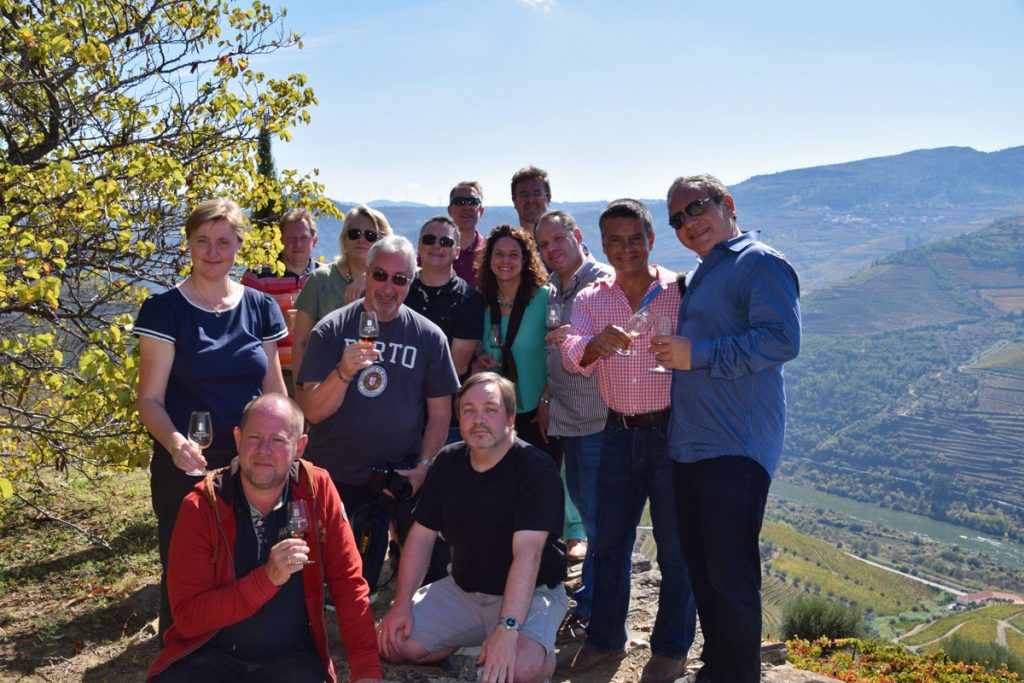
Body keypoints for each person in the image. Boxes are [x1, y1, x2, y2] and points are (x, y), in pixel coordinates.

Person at [653, 174, 801, 683]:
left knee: (730, 576)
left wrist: (698, 354)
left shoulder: (758, 262)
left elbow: (783, 339)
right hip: (692, 446)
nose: (687, 223)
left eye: (696, 209)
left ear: (727, 204)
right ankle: (717, 669)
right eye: (677, 219)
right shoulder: (704, 272)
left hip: (735, 446)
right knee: (705, 572)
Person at [145, 394, 383, 683]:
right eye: (254, 437)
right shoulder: (202, 505)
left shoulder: (315, 490)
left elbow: (348, 583)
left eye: (279, 440)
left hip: (291, 658)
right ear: (237, 439)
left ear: (300, 447)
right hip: (207, 655)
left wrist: (366, 670)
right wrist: (267, 579)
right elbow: (188, 616)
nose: (264, 450)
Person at [557, 199, 696, 683]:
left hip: (672, 436)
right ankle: (604, 641)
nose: (626, 248)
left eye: (635, 238)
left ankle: (672, 649)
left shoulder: (681, 289)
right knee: (609, 544)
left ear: (651, 240)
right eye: (615, 240)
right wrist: (594, 346)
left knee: (677, 548)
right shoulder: (593, 299)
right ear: (603, 246)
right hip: (615, 433)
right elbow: (574, 350)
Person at [135, 198, 287, 636]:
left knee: (249, 561)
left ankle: (245, 650)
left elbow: (275, 393)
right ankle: (182, 651)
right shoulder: (164, 310)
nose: (213, 251)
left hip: (251, 462)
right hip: (187, 463)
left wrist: (286, 445)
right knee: (188, 568)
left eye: (223, 241)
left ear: (239, 245)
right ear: (189, 245)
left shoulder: (260, 307)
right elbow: (150, 399)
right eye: (202, 240)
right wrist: (175, 444)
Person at [377, 372, 568, 683]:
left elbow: (528, 556)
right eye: (469, 410)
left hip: (531, 594)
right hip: (463, 591)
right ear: (459, 417)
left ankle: (533, 650)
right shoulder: (447, 461)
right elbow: (421, 537)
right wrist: (401, 605)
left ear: (510, 417)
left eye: (490, 409)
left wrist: (508, 629)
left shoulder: (536, 469)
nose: (479, 419)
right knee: (393, 644)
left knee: (517, 671)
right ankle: (475, 643)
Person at [296, 234, 459, 594]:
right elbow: (313, 411)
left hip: (400, 475)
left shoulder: (429, 337)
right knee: (328, 580)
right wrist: (342, 373)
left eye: (399, 279)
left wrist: (425, 467)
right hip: (334, 474)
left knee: (429, 567)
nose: (388, 287)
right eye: (380, 275)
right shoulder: (332, 330)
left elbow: (440, 414)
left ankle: (416, 620)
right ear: (366, 275)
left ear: (410, 282)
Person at [533, 209, 613, 642]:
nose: (551, 250)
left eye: (557, 240)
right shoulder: (553, 289)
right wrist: (547, 398)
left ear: (577, 236)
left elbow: (616, 344)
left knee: (599, 519)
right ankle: (595, 599)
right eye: (543, 246)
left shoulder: (603, 284)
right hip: (570, 419)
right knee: (588, 513)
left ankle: (593, 611)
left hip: (600, 421)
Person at [474, 225, 560, 464]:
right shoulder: (480, 300)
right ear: (488, 259)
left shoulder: (545, 298)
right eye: (499, 254)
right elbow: (475, 345)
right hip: (494, 413)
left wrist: (546, 401)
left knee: (540, 484)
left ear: (526, 260)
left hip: (536, 413)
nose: (505, 260)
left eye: (513, 254)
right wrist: (478, 356)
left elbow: (558, 353)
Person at [291, 205, 392, 403]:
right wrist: (301, 397)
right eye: (354, 233)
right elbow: (301, 343)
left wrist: (367, 278)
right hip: (325, 390)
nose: (362, 239)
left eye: (371, 235)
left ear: (383, 241)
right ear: (345, 239)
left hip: (381, 390)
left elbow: (418, 271)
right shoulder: (320, 280)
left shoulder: (393, 281)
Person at [241, 208, 320, 396]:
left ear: (314, 241)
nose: (297, 244)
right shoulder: (258, 277)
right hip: (272, 377)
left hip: (316, 375)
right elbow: (244, 330)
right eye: (291, 238)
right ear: (280, 240)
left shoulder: (324, 277)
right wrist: (277, 323)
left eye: (304, 237)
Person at [405, 216, 483, 381]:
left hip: (441, 397)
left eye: (446, 242)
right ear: (419, 246)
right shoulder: (401, 289)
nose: (436, 245)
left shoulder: (469, 300)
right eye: (429, 239)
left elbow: (457, 366)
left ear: (457, 252)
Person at [447, 181, 487, 288]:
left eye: (473, 202)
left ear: (481, 211)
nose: (466, 207)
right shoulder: (434, 249)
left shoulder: (491, 252)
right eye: (460, 201)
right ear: (450, 210)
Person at [511, 165, 551, 233]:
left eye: (537, 194)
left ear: (548, 198)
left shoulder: (566, 241)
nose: (530, 200)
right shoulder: (507, 243)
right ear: (514, 201)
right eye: (524, 195)